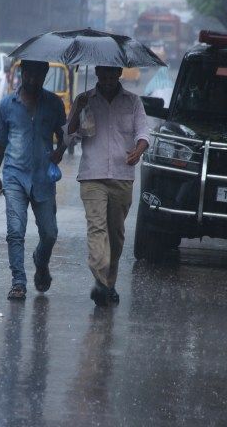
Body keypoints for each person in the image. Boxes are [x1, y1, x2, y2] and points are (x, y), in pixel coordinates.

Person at [64, 66, 151, 306]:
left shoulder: (133, 102)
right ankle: (101, 280)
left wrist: (138, 150)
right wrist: (77, 110)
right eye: (104, 75)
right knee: (97, 228)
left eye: (112, 75)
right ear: (98, 73)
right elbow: (69, 136)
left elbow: (144, 131)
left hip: (122, 176)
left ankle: (107, 284)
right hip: (92, 175)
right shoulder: (85, 99)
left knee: (116, 234)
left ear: (119, 72)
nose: (108, 80)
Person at [0, 60, 67, 300]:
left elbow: (63, 135)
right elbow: (0, 141)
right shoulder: (7, 105)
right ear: (22, 73)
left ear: (45, 75)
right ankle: (18, 282)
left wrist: (60, 151)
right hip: (14, 175)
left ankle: (40, 261)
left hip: (43, 178)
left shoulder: (54, 104)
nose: (33, 80)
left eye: (38, 75)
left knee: (50, 233)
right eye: (29, 74)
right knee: (15, 231)